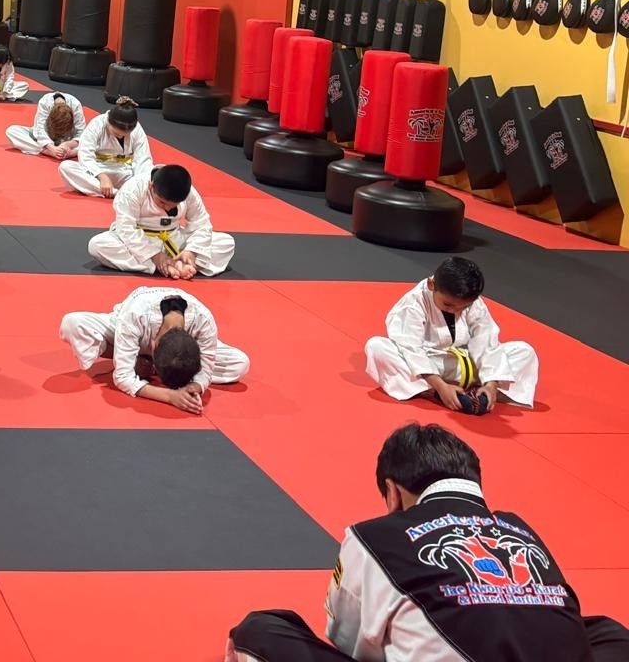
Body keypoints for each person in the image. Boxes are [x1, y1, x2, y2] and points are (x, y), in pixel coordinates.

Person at [226, 423, 629, 662]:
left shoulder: (372, 536)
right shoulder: (520, 528)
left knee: (261, 631)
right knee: (608, 632)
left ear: (393, 492)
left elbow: (348, 640)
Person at [364, 257, 539, 414]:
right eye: (448, 304)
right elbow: (410, 348)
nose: (455, 310)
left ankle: (484, 392)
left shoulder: (473, 302)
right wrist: (440, 386)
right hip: (431, 365)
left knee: (524, 351)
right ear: (432, 285)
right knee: (377, 347)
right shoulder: (413, 303)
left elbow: (486, 341)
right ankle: (435, 393)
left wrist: (492, 383)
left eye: (462, 307)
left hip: (466, 365)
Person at [60, 286, 248, 414]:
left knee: (240, 363)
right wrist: (169, 396)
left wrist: (195, 387)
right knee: (72, 324)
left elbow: (206, 368)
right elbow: (122, 377)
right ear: (154, 345)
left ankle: (145, 365)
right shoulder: (136, 314)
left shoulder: (203, 321)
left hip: (173, 347)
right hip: (128, 326)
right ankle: (138, 361)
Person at [89, 163, 234, 278]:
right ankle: (167, 266)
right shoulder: (133, 189)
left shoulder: (189, 192)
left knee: (226, 242)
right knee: (98, 245)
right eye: (162, 202)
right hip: (141, 239)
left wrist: (191, 251)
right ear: (151, 186)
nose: (166, 208)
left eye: (173, 205)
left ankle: (179, 262)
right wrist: (155, 256)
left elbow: (201, 224)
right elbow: (126, 229)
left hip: (174, 239)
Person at [59, 96, 152, 197]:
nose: (120, 136)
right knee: (65, 167)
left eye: (125, 135)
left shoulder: (137, 128)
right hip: (99, 169)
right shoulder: (97, 124)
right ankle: (119, 194)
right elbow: (85, 155)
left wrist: (139, 183)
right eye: (116, 133)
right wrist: (101, 176)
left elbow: (143, 159)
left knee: (158, 172)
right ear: (108, 121)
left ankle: (130, 192)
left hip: (125, 172)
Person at [6, 91, 86, 158]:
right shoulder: (45, 102)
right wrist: (51, 148)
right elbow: (39, 129)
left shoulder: (75, 105)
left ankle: (70, 153)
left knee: (91, 144)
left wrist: (68, 145)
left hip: (67, 138)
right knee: (12, 131)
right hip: (47, 137)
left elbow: (81, 133)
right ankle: (46, 151)